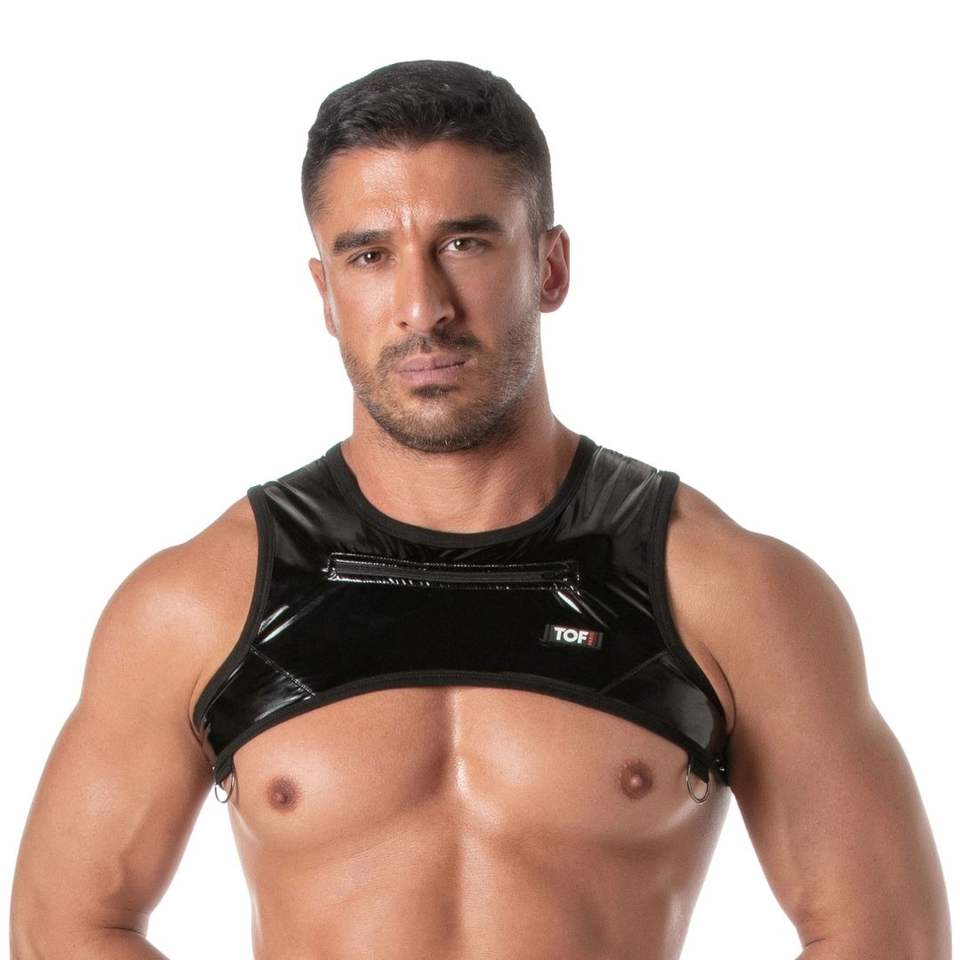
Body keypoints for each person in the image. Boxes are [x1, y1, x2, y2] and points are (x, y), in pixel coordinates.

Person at [10, 59, 950, 960]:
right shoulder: (197, 603)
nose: (422, 307)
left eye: (464, 243)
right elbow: (63, 928)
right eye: (370, 255)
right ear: (327, 295)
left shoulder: (728, 590)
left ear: (550, 266)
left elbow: (888, 937)